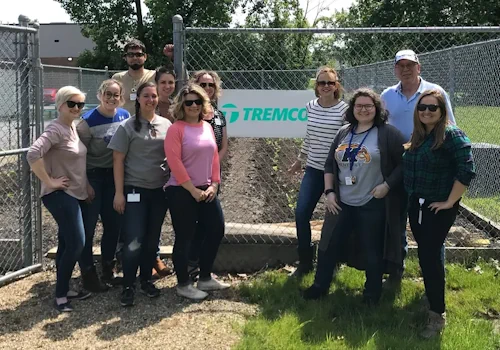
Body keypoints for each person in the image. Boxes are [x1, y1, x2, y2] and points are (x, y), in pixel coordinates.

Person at [302, 89, 406, 304]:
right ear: (352, 109)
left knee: (372, 249)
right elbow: (329, 164)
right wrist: (329, 193)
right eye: (359, 105)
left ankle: (371, 294)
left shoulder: (388, 134)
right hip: (341, 202)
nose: (363, 109)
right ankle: (320, 286)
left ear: (377, 109)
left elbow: (405, 164)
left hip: (372, 201)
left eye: (368, 106)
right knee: (328, 244)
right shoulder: (343, 132)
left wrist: (387, 185)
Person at [380, 49, 456, 284]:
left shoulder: (434, 92)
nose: (405, 69)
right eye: (400, 65)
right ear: (395, 69)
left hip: (428, 169)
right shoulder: (387, 95)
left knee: (431, 229)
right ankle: (397, 268)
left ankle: (434, 278)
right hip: (398, 167)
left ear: (419, 68)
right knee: (397, 221)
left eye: (410, 65)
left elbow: (450, 125)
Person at [403, 89, 475, 338]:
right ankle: (432, 298)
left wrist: (449, 202)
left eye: (432, 108)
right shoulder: (421, 134)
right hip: (418, 205)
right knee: (426, 255)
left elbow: (466, 170)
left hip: (437, 208)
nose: (426, 111)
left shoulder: (452, 134)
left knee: (430, 257)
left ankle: (437, 315)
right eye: (422, 107)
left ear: (442, 110)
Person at [108, 82, 172, 307]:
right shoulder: (127, 127)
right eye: (146, 96)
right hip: (134, 191)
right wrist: (119, 193)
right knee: (134, 240)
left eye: (154, 96)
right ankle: (128, 285)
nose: (151, 100)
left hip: (159, 191)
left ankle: (146, 280)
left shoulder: (166, 124)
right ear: (138, 99)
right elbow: (118, 160)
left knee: (151, 240)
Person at [27, 86, 91, 312]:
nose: (76, 108)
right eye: (71, 104)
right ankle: (60, 294)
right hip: (60, 195)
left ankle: (63, 288)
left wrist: (86, 185)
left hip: (75, 192)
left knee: (66, 243)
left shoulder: (72, 127)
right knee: (77, 243)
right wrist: (50, 181)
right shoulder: (56, 129)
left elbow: (75, 162)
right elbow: (33, 153)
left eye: (80, 104)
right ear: (60, 105)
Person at [165, 84, 229, 300]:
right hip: (181, 190)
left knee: (216, 229)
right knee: (185, 237)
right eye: (188, 102)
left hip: (207, 189)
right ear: (182, 105)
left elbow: (213, 158)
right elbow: (174, 162)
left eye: (197, 101)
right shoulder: (176, 129)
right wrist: (191, 189)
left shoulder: (207, 127)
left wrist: (214, 185)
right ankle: (183, 283)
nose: (193, 106)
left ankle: (205, 277)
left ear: (204, 104)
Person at [288, 66, 349, 278]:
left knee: (334, 219)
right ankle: (304, 261)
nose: (325, 86)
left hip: (336, 172)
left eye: (330, 83)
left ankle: (332, 261)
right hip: (313, 170)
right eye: (322, 82)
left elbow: (349, 141)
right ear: (316, 86)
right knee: (301, 213)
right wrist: (299, 160)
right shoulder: (311, 106)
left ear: (336, 86)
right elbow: (310, 136)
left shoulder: (344, 111)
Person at [76, 79, 130, 290]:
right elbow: (79, 156)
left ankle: (109, 269)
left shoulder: (124, 116)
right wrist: (85, 183)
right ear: (100, 95)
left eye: (116, 94)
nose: (111, 98)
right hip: (93, 176)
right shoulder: (87, 122)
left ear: (121, 97)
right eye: (107, 94)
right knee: (88, 228)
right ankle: (88, 274)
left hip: (115, 177)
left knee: (113, 225)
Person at [187, 70, 229, 280]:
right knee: (194, 224)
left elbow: (223, 145)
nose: (207, 89)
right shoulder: (191, 112)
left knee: (210, 224)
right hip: (192, 180)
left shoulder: (219, 115)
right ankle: (190, 266)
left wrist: (213, 166)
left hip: (212, 177)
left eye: (211, 85)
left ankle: (201, 269)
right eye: (202, 85)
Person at [150, 66, 177, 279]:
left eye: (171, 82)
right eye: (163, 83)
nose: (167, 86)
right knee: (154, 218)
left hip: (177, 170)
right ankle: (153, 258)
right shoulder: (150, 105)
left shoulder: (180, 106)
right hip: (155, 169)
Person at [112, 39, 157, 114]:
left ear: (145, 57)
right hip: (123, 123)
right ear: (125, 57)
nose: (135, 58)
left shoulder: (154, 75)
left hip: (148, 123)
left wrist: (172, 56)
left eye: (139, 55)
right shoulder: (117, 78)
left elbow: (177, 78)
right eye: (130, 55)